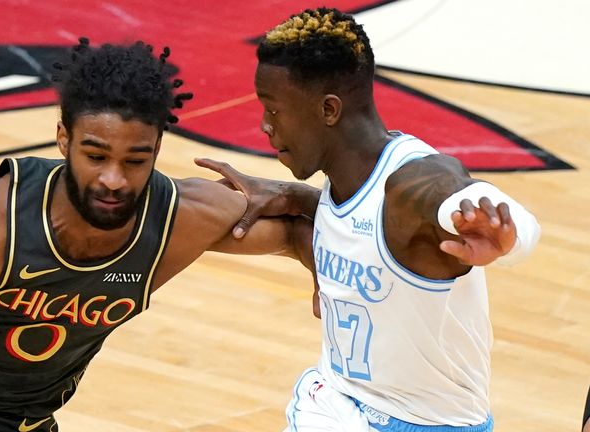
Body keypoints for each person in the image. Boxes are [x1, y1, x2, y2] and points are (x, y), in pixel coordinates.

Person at [0, 39, 314, 432]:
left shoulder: (182, 216)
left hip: (22, 421)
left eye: (135, 160)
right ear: (64, 140)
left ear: (158, 147)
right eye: (95, 156)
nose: (114, 180)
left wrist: (300, 208)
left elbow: (299, 233)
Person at [197, 7, 541, 432]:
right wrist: (294, 196)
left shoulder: (410, 183)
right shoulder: (338, 188)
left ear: (328, 110)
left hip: (432, 423)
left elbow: (457, 191)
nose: (265, 126)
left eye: (273, 110)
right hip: (338, 402)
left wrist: (510, 236)